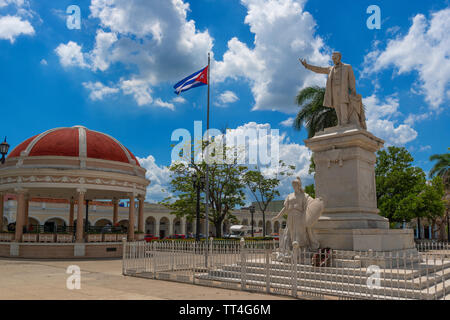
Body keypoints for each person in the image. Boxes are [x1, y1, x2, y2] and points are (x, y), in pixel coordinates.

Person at [300, 52, 364, 128]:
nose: (334, 60)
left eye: (335, 58)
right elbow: (319, 69)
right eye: (333, 59)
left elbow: (351, 80)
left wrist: (353, 92)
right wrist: (307, 66)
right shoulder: (331, 69)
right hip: (333, 89)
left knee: (343, 104)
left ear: (339, 57)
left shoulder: (347, 67)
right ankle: (340, 123)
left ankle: (345, 122)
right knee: (337, 105)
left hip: (343, 89)